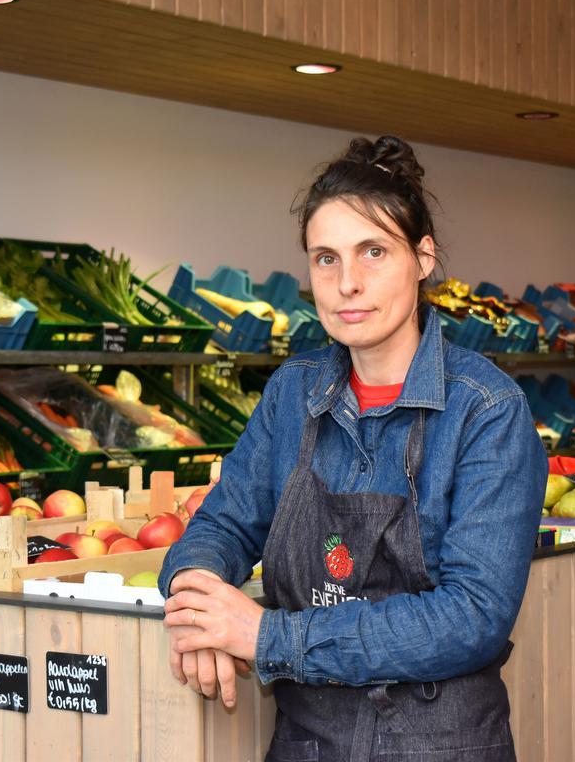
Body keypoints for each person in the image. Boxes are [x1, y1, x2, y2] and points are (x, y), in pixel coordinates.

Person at [158, 135, 547, 761]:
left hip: (440, 749)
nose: (348, 284)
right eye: (326, 259)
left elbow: (473, 617)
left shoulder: (487, 410)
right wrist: (197, 598)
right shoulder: (294, 393)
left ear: (423, 259)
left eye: (373, 252)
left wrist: (267, 635)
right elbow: (223, 523)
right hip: (307, 745)